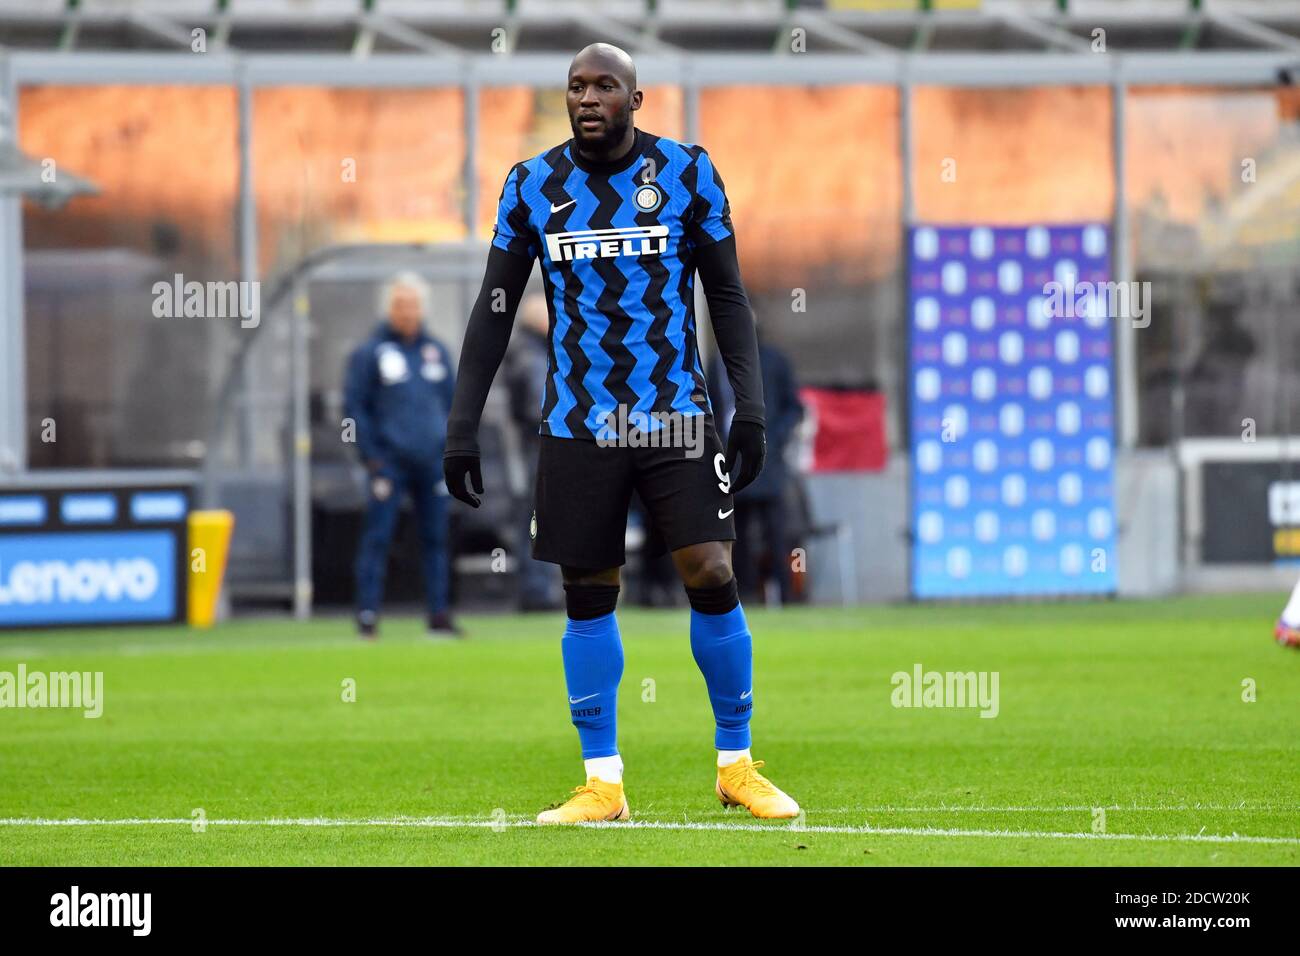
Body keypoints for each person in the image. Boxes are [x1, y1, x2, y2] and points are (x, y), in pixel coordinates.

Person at [443, 43, 800, 824]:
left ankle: (736, 764)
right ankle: (603, 782)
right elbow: (495, 307)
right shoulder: (532, 186)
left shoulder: (687, 174)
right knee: (587, 594)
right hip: (579, 422)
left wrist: (753, 407)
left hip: (675, 413)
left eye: (605, 85)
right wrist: (461, 424)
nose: (588, 97)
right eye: (576, 86)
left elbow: (728, 297)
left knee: (709, 567)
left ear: (638, 99)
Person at [344, 272, 461, 639]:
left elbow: (453, 402)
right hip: (388, 464)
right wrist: (372, 458)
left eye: (413, 305)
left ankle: (438, 615)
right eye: (400, 305)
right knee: (378, 537)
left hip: (431, 462)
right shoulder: (370, 353)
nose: (407, 312)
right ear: (389, 308)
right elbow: (354, 408)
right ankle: (367, 615)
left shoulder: (436, 351)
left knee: (436, 538)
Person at [709, 327, 805, 605]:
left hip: (768, 460)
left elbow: (793, 408)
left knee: (776, 531)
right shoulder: (717, 364)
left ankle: (786, 594)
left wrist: (774, 438)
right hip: (730, 461)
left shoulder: (774, 360)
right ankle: (744, 595)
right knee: (735, 533)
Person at [504, 293, 563, 611]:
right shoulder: (530, 354)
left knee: (539, 516)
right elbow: (538, 405)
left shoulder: (533, 351)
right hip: (540, 445)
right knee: (539, 516)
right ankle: (538, 590)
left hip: (536, 443)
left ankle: (541, 587)